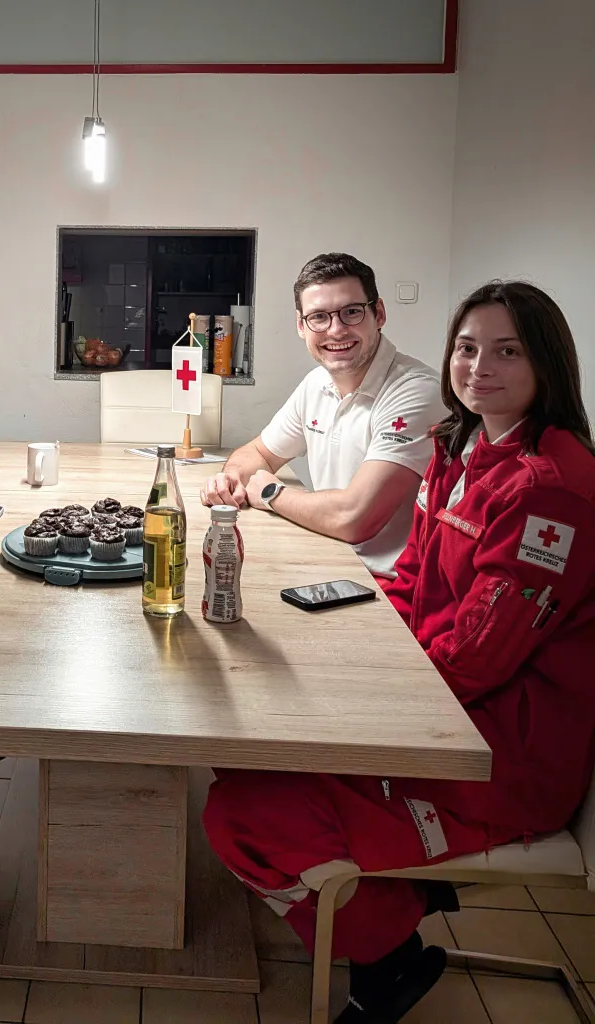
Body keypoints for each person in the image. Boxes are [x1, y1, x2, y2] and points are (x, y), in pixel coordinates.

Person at [203, 281, 595, 1022]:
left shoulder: (554, 489)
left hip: (493, 754)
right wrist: (357, 670)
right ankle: (382, 903)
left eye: (507, 351)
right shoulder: (463, 446)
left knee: (239, 815)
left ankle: (388, 953)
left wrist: (354, 701)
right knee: (245, 746)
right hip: (434, 709)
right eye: (468, 348)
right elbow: (413, 576)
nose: (481, 367)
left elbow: (479, 656)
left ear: (547, 362)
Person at [201, 253, 446, 579]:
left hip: (391, 587)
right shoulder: (317, 384)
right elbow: (258, 453)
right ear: (302, 326)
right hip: (333, 557)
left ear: (379, 313)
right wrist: (230, 479)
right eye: (319, 317)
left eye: (351, 312)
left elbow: (355, 518)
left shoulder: (416, 391)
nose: (336, 329)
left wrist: (273, 494)